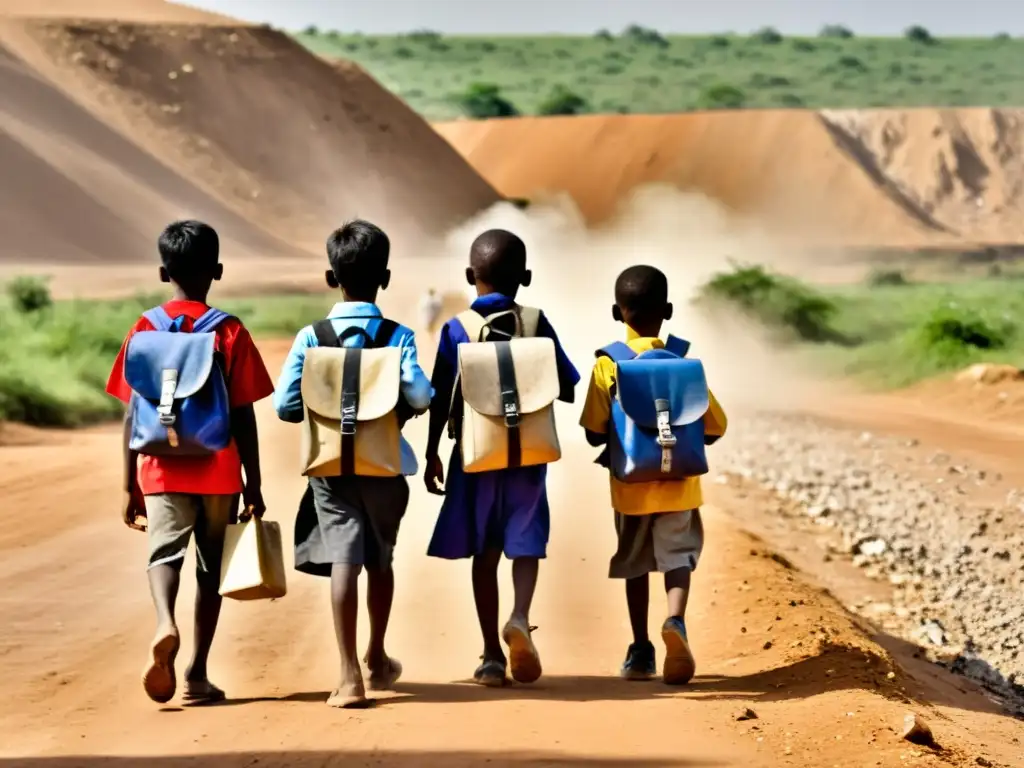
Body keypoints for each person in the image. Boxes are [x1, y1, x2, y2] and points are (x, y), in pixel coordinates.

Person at [106, 220, 274, 705]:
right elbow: (243, 414)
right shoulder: (229, 330)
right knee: (210, 570)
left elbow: (132, 413)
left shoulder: (144, 327)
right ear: (217, 271)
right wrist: (254, 483)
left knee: (164, 556)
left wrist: (127, 484)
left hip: (159, 467)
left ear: (163, 271)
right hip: (218, 468)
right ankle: (198, 673)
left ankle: (164, 620)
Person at [273, 220, 432, 708]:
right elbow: (421, 396)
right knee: (380, 559)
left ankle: (348, 678)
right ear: (384, 278)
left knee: (345, 557)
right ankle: (377, 658)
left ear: (330, 277)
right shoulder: (397, 335)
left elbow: (284, 406)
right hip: (384, 466)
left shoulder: (310, 336)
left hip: (331, 470)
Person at [424, 229, 579, 687]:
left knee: (485, 553)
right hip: (529, 457)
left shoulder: (456, 329)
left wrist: (433, 450)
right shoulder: (536, 321)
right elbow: (567, 386)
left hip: (475, 457)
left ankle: (492, 656)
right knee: (525, 542)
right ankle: (519, 615)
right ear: (526, 277)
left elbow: (438, 398)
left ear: (470, 276)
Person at [578, 265, 727, 685]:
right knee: (678, 556)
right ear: (668, 310)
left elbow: (593, 432)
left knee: (635, 563)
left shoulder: (608, 364)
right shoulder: (683, 361)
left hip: (630, 487)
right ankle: (676, 621)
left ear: (616, 312)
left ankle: (640, 649)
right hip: (681, 486)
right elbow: (716, 425)